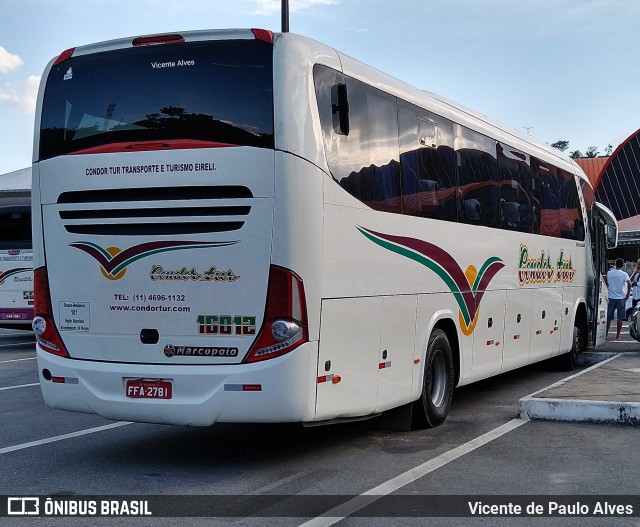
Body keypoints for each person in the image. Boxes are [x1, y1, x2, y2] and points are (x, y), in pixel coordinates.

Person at [605, 258, 632, 341]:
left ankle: (605, 334)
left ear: (615, 264)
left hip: (611, 297)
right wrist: (627, 293)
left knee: (609, 317)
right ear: (622, 265)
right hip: (621, 297)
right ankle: (617, 335)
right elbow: (629, 283)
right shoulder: (624, 274)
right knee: (620, 318)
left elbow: (605, 282)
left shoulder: (609, 273)